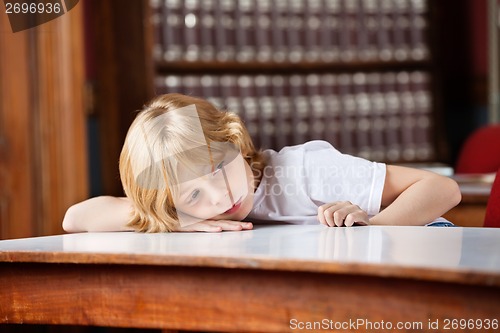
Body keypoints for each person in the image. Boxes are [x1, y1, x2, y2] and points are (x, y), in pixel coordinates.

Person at [62, 93, 461, 233]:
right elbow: (76, 218)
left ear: (233, 140)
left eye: (219, 168)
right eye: (193, 193)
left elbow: (443, 189)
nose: (221, 197)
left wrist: (373, 226)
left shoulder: (303, 172)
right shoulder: (187, 213)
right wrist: (178, 221)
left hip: (426, 247)